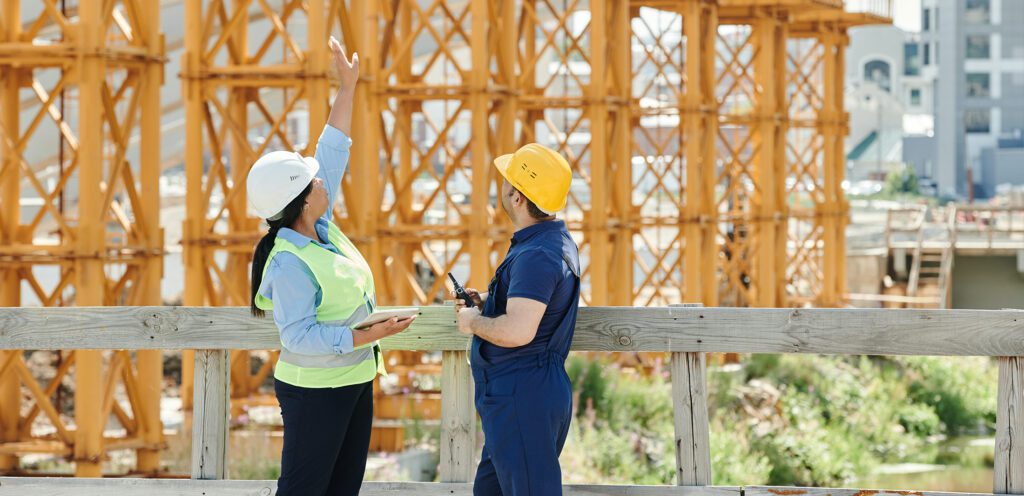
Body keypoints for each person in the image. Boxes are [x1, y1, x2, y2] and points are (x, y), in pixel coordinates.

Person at [247, 36, 414, 496]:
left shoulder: (320, 227)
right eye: (312, 178)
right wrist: (366, 335)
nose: (321, 176)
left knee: (343, 490)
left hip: (356, 379)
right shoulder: (288, 263)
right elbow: (296, 335)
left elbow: (333, 150)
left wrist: (348, 86)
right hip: (316, 391)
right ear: (301, 201)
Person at [453, 143, 580, 495]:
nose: (503, 191)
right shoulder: (551, 243)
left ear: (518, 197)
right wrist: (490, 303)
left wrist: (473, 322)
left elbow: (519, 330)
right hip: (521, 393)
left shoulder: (537, 254)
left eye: (507, 183)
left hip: (521, 394)